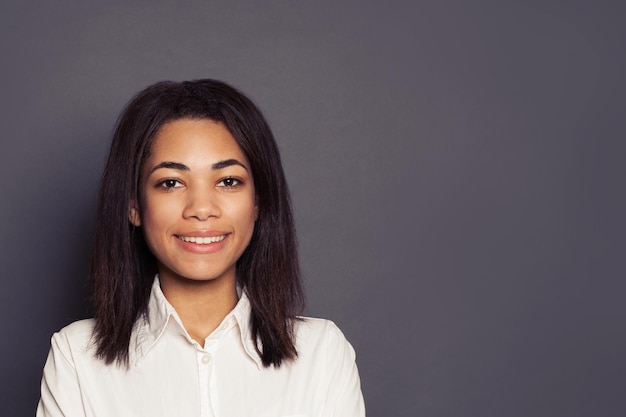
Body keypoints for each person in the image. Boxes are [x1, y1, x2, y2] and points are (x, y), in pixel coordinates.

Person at [37, 79, 365, 417]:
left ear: (258, 202)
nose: (202, 208)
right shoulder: (76, 357)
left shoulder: (321, 354)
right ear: (133, 205)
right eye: (171, 183)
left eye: (228, 181)